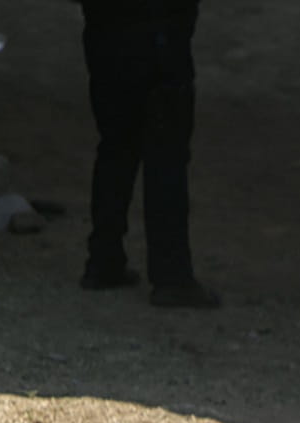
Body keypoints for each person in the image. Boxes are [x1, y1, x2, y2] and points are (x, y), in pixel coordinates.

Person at [74, 0, 220, 308]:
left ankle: (104, 259)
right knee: (166, 160)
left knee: (116, 148)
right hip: (159, 38)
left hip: (106, 36)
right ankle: (171, 275)